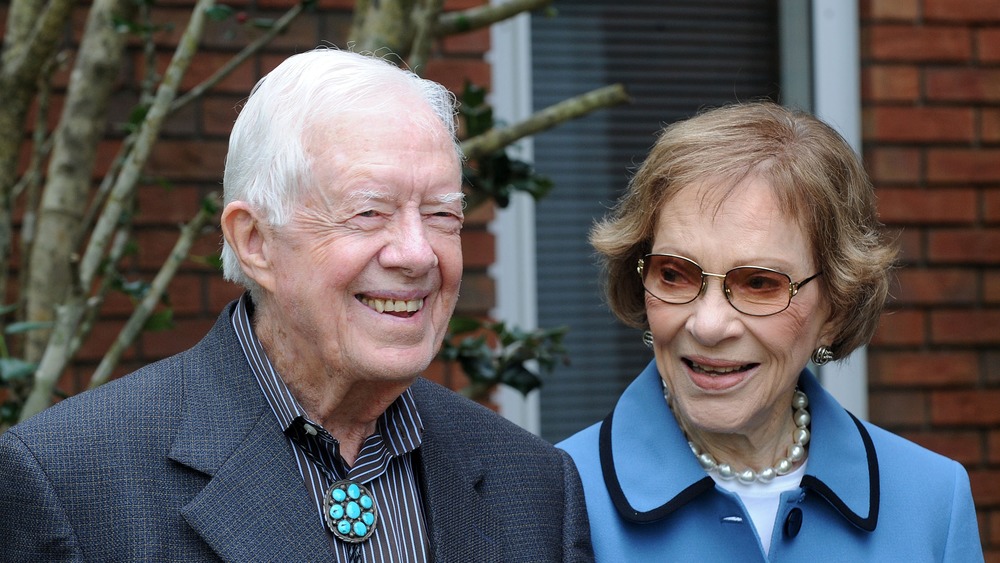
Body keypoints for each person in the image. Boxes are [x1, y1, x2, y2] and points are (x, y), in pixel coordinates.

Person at [0, 48, 592, 562]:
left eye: (442, 214)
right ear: (254, 242)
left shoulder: (536, 485)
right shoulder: (71, 480)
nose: (418, 254)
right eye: (369, 212)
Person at [558, 102, 984, 562]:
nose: (708, 325)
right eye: (675, 274)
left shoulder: (933, 501)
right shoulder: (553, 496)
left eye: (760, 283)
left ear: (836, 310)